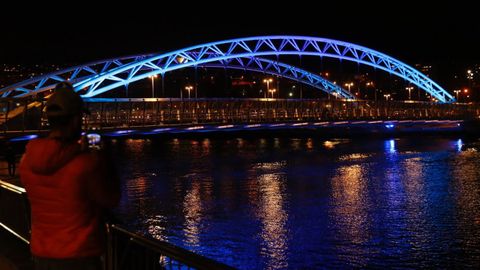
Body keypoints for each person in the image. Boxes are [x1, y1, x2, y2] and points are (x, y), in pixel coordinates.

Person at [19, 81, 120, 270]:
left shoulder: (26, 162)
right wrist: (103, 159)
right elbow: (111, 198)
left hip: (42, 254)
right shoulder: (85, 164)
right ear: (75, 120)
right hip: (80, 256)